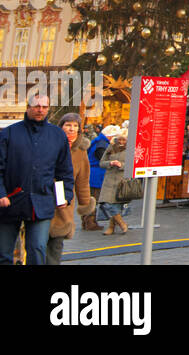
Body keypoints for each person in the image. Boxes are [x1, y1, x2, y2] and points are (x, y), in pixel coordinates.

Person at [0, 93, 75, 265]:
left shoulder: (57, 135)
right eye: (36, 106)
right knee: (4, 253)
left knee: (37, 248)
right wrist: (1, 193)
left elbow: (64, 171)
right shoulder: (10, 133)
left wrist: (65, 196)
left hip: (41, 202)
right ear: (28, 107)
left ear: (48, 108)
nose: (40, 110)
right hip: (11, 201)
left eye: (44, 107)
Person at [47, 113, 94, 265]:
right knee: (37, 245)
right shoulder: (48, 144)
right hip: (42, 198)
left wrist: (85, 203)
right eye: (68, 125)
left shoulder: (80, 151)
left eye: (75, 126)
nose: (71, 129)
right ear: (61, 127)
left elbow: (82, 180)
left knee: (55, 245)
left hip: (63, 203)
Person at [97, 127, 136, 235]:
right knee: (107, 203)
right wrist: (110, 163)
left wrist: (121, 165)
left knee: (117, 205)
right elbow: (101, 162)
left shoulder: (132, 149)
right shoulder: (111, 147)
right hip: (109, 180)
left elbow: (134, 164)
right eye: (120, 139)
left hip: (122, 181)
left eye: (124, 140)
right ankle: (122, 223)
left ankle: (111, 227)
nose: (121, 142)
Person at [85, 123, 110, 231]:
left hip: (93, 173)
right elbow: (102, 159)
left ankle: (87, 222)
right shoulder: (102, 144)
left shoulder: (98, 141)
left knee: (91, 199)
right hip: (96, 175)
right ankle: (90, 222)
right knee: (93, 199)